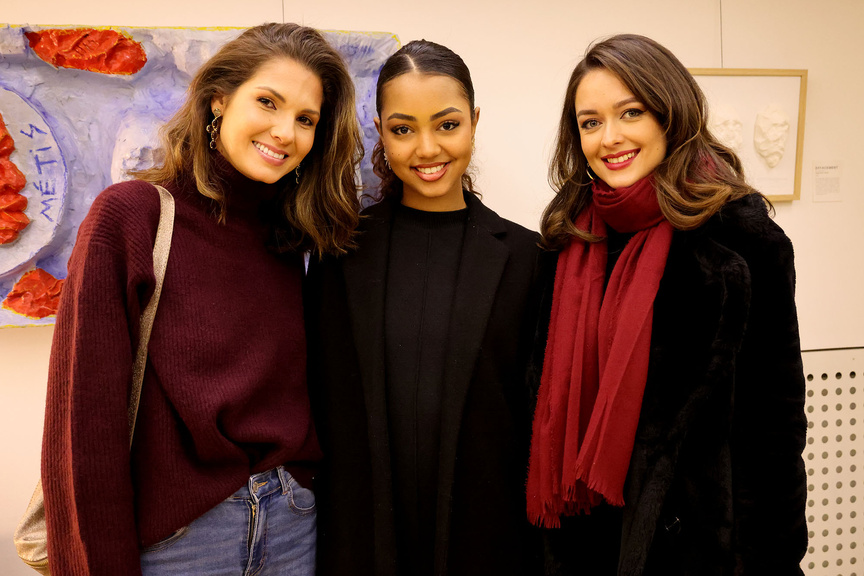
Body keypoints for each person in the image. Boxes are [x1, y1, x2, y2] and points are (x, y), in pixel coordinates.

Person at [41, 23, 362, 576]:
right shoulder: (132, 217)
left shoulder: (297, 241)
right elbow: (82, 431)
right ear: (218, 98)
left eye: (306, 119)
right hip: (181, 543)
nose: (285, 132)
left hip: (293, 527)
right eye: (268, 101)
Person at [526, 34, 808, 576]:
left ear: (669, 114)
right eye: (590, 122)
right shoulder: (568, 240)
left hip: (704, 550)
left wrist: (766, 560)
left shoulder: (744, 243)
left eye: (630, 112)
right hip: (588, 544)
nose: (609, 138)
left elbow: (774, 433)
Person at [306, 40, 544, 576]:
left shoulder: (529, 259)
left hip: (488, 537)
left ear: (475, 122)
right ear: (380, 131)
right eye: (403, 129)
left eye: (447, 125)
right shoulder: (339, 254)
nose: (427, 148)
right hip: (362, 536)